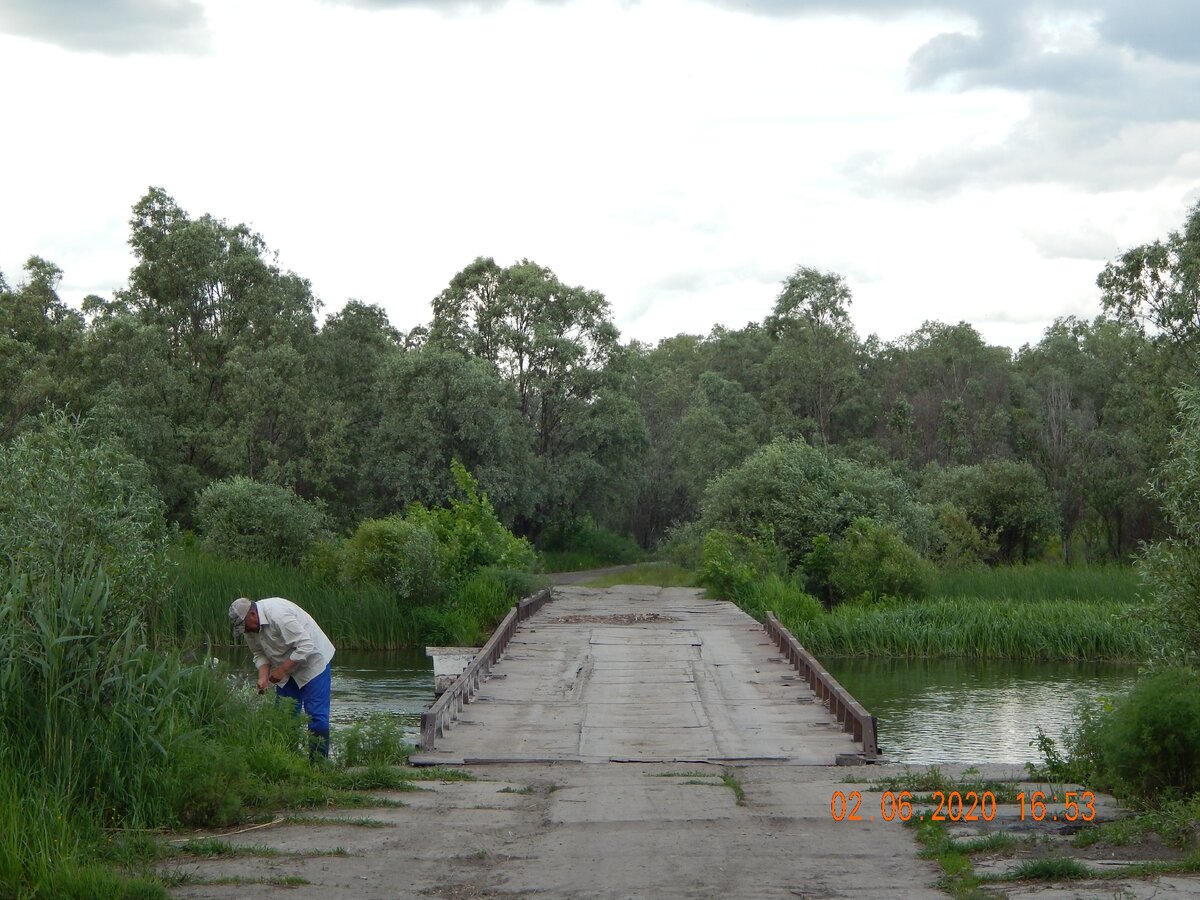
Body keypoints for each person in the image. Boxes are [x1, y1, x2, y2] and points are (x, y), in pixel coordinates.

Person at [229, 596, 336, 758]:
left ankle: (319, 766)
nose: (245, 631)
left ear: (252, 614)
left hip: (313, 663)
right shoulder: (249, 628)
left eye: (244, 626)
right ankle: (288, 761)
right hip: (285, 669)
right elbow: (259, 653)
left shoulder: (278, 615)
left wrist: (282, 670)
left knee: (316, 717)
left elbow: (307, 645)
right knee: (284, 717)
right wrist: (263, 677)